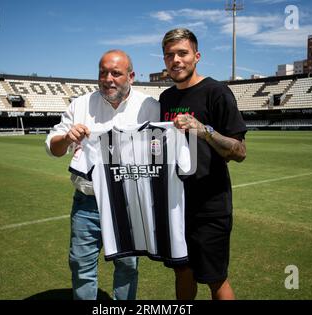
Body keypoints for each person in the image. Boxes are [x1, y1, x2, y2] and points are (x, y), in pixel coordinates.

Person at [45, 49, 160, 300]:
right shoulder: (81, 104)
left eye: (116, 73)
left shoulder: (150, 106)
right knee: (81, 265)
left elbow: (159, 151)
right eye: (103, 72)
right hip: (88, 202)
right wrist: (66, 138)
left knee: (128, 266)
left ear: (131, 76)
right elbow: (52, 148)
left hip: (129, 202)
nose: (108, 78)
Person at [159, 28, 247, 300]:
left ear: (196, 56)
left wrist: (203, 130)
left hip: (210, 205)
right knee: (182, 271)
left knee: (215, 278)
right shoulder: (166, 98)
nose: (176, 60)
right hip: (176, 203)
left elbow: (240, 151)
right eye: (169, 55)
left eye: (182, 53)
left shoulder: (216, 92)